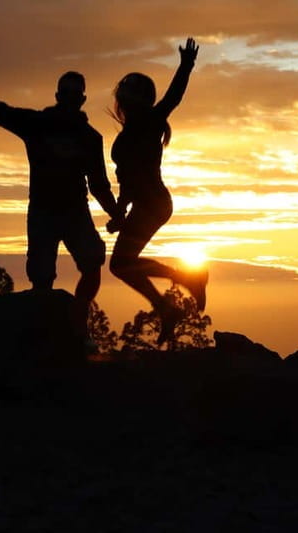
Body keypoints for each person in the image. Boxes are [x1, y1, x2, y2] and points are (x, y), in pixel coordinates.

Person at [0, 48, 123, 348]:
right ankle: (43, 339)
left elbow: (99, 184)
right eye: (65, 92)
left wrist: (116, 214)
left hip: (74, 213)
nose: (68, 98)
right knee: (41, 279)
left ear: (81, 99)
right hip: (42, 212)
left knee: (93, 263)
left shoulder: (90, 138)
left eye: (74, 94)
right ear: (58, 95)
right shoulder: (36, 124)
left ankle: (78, 328)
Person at [106, 37, 207, 344]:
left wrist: (186, 65)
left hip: (154, 204)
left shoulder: (150, 123)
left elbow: (172, 97)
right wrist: (120, 213)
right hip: (146, 205)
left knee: (121, 264)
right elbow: (126, 182)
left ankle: (183, 284)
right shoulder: (127, 136)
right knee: (122, 264)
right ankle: (167, 306)